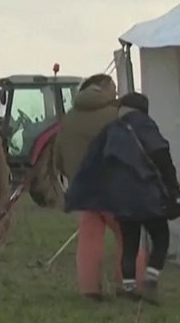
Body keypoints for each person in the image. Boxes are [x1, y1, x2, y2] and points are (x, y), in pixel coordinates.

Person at [68, 92, 180, 304]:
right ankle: (150, 281)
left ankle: (128, 288)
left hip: (119, 198)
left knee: (130, 241)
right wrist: (173, 189)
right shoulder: (145, 125)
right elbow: (161, 155)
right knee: (161, 237)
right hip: (146, 194)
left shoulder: (110, 131)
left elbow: (93, 163)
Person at [52, 74, 146, 300]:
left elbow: (58, 157)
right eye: (112, 88)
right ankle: (131, 287)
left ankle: (90, 289)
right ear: (104, 89)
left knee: (90, 239)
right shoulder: (116, 115)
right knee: (128, 236)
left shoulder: (70, 117)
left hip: (84, 189)